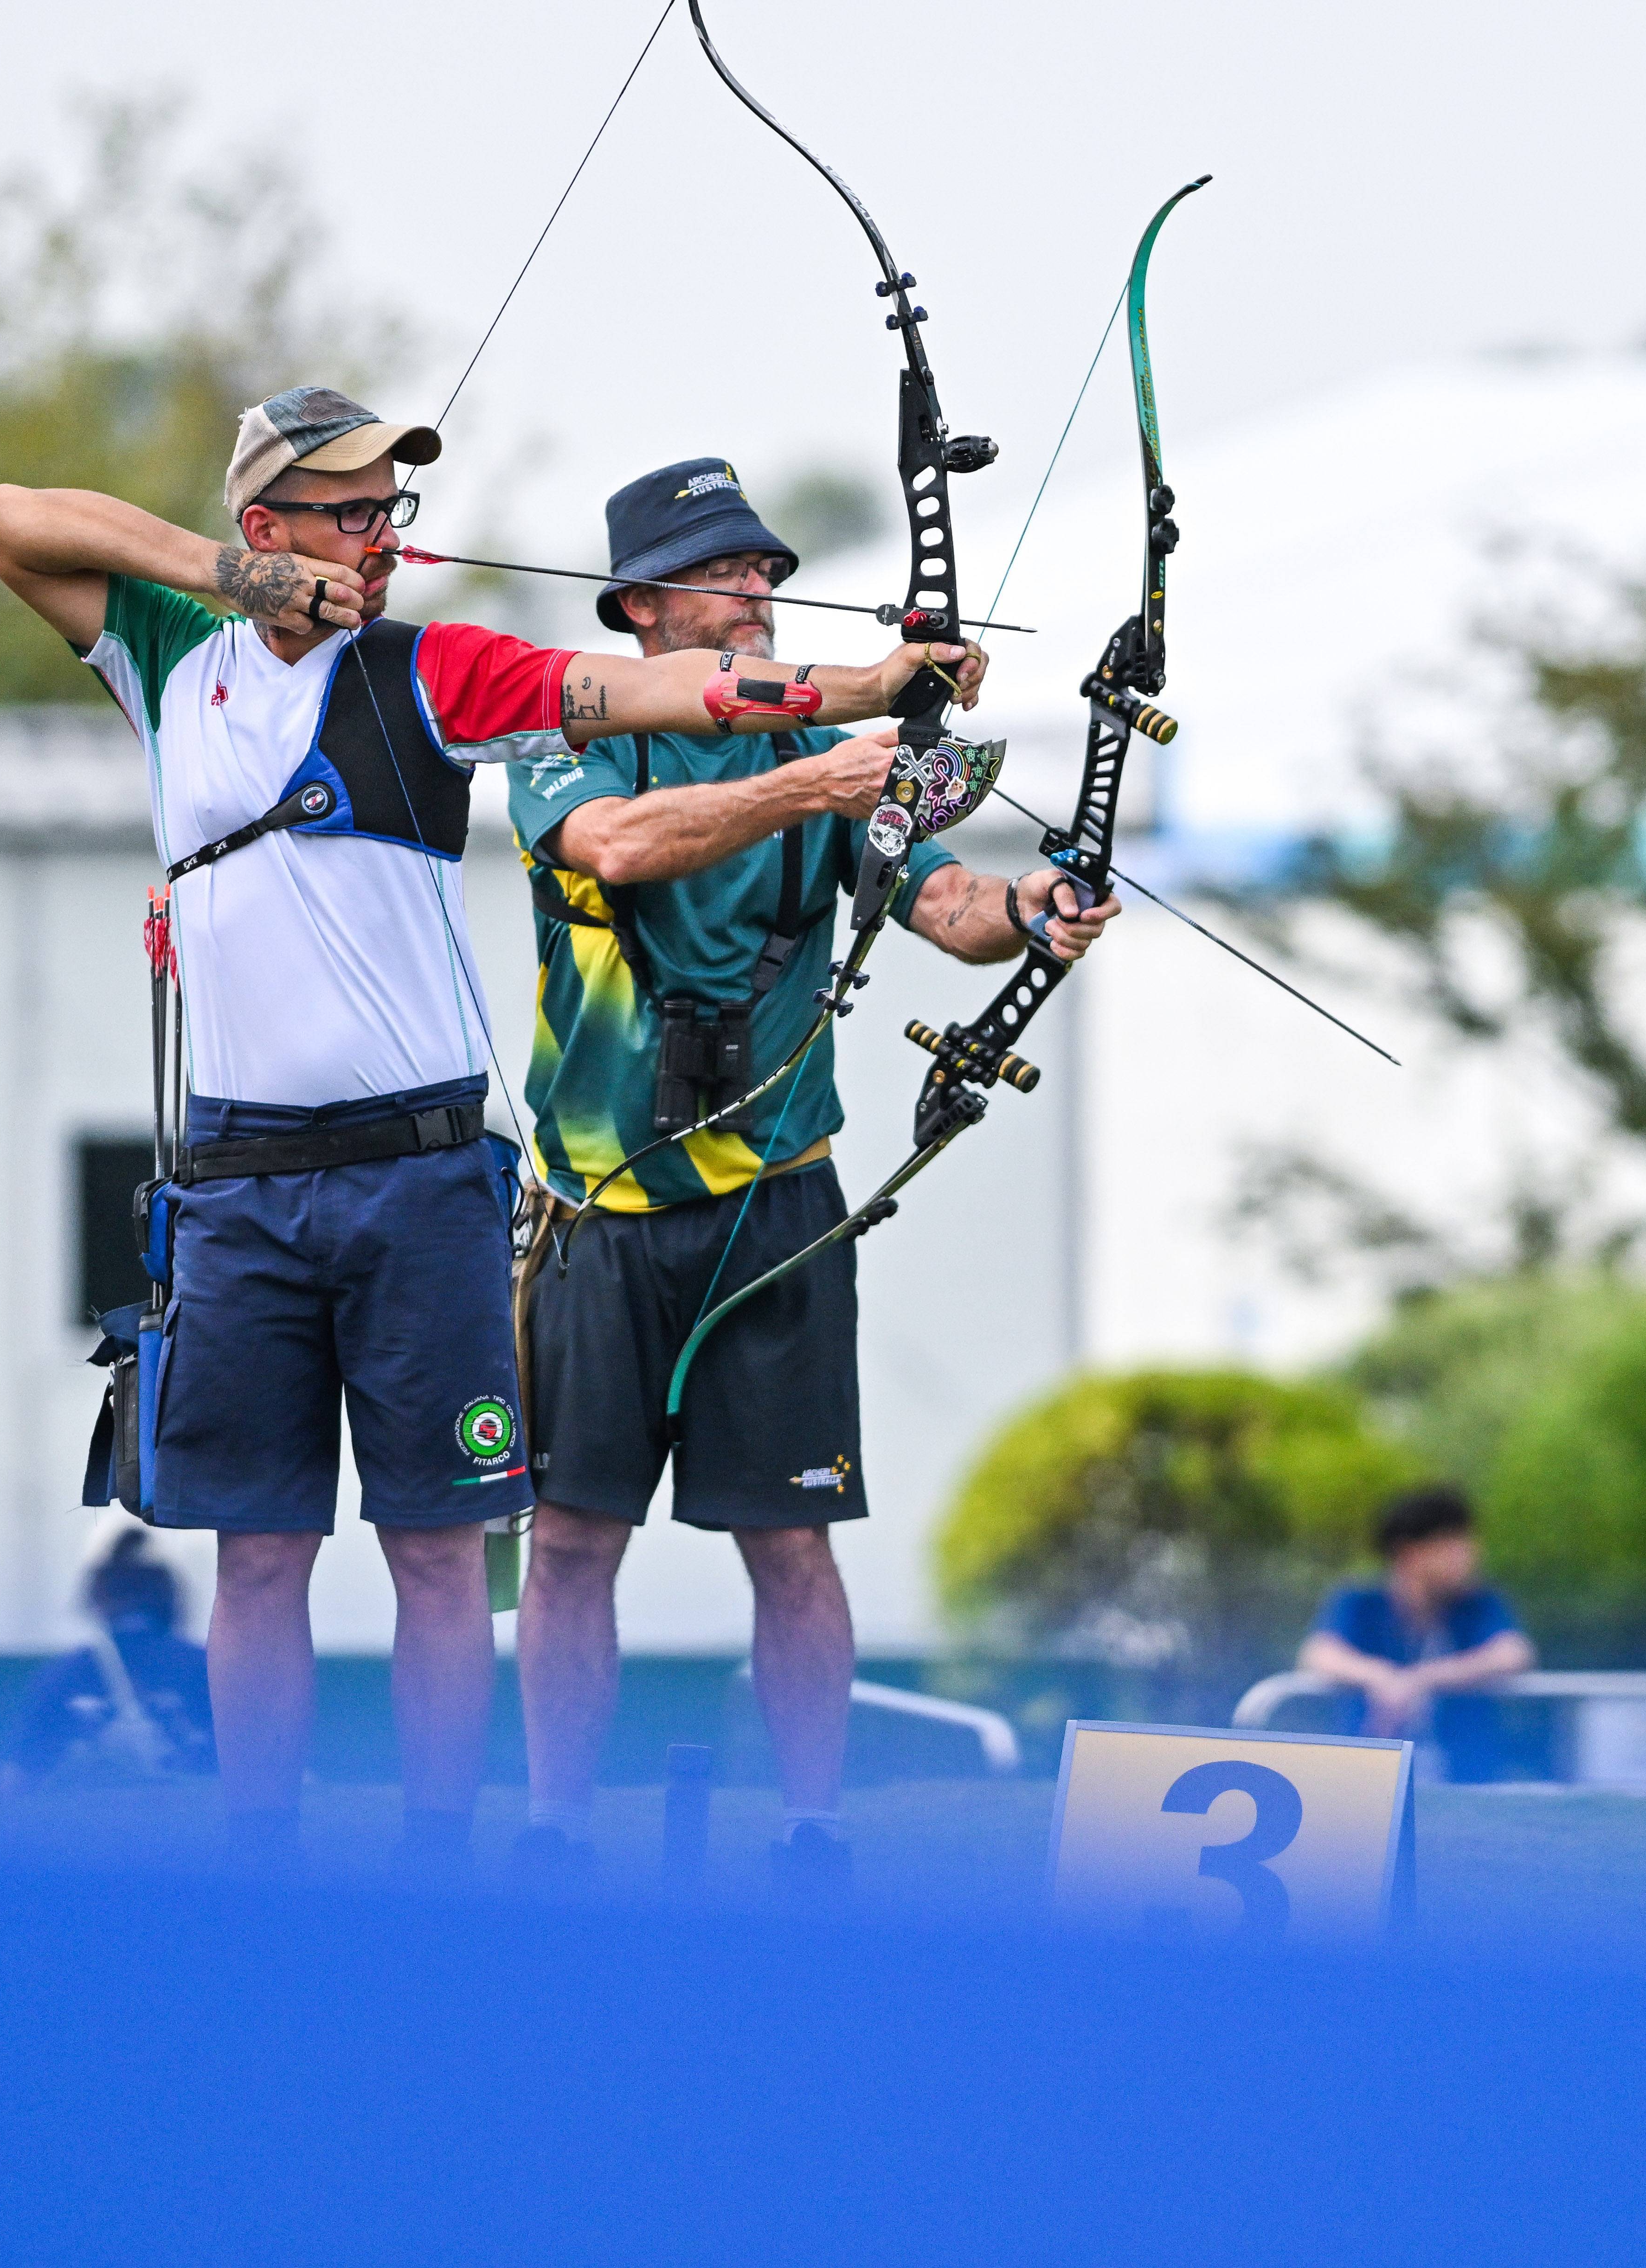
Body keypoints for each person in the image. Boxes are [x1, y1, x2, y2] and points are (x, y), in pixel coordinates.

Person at [0, 390, 986, 1867]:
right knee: (257, 1556)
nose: (388, 537)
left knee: (437, 1553)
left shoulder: (438, 666)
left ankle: (442, 1863)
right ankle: (261, 1856)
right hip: (240, 1178)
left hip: (421, 1176)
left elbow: (650, 693)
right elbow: (8, 520)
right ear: (270, 526)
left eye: (394, 511)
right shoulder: (173, 653)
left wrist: (858, 688)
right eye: (354, 513)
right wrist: (232, 580)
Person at [508, 458, 1106, 1895]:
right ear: (642, 607)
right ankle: (553, 1835)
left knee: (791, 1536)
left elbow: (938, 898)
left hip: (776, 1200)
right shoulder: (561, 729)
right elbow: (617, 846)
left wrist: (1030, 907)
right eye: (725, 571)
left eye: (769, 569)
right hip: (595, 1198)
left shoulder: (843, 773)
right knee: (573, 1536)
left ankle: (811, 1835)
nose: (761, 591)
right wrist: (819, 771)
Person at [1297, 1488, 1538, 1781]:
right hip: (1368, 1781)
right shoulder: (1360, 1603)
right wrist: (1381, 1678)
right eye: (1453, 1545)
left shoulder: (1479, 1605)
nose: (1469, 1555)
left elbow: (1514, 1653)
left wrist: (1419, 1680)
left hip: (1466, 1784)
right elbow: (1320, 1653)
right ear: (1409, 1552)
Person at [0, 1530, 216, 1793]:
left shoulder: (66, 1674)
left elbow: (16, 1777)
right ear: (169, 1597)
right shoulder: (205, 1669)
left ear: (98, 1597)